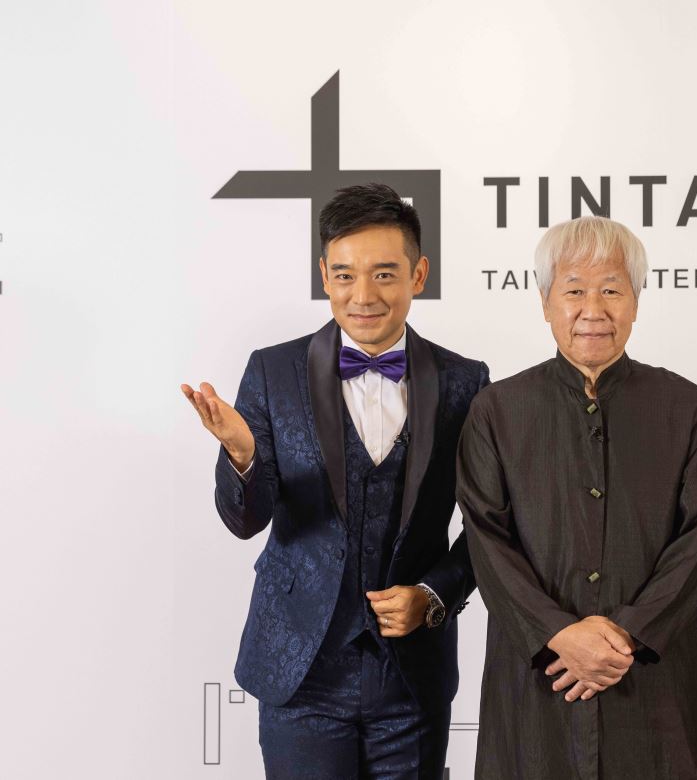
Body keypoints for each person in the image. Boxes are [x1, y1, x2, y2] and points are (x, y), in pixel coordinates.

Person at [180, 183, 488, 779]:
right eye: (345, 275)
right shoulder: (272, 371)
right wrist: (242, 455)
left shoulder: (464, 382)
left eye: (384, 275)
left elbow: (488, 524)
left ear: (419, 274)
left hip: (411, 680)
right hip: (300, 672)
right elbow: (245, 521)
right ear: (324, 275)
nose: (363, 296)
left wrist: (432, 595)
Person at [456, 216, 697, 780]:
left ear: (636, 301)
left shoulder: (686, 408)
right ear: (545, 301)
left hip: (652, 677)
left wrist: (626, 634)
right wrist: (558, 633)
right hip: (538, 679)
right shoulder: (496, 411)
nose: (593, 309)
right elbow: (486, 540)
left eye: (611, 290)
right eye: (574, 290)